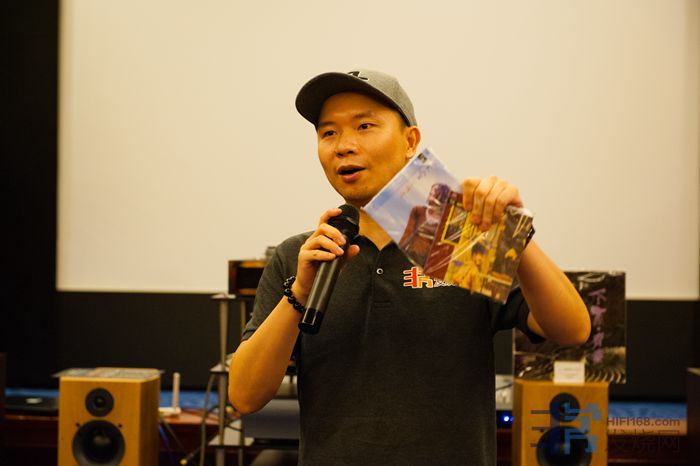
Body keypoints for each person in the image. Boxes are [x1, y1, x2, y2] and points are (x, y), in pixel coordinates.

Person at [228, 69, 591, 465]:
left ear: (410, 142)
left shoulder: (460, 243)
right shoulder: (302, 257)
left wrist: (512, 236)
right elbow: (244, 397)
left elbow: (572, 330)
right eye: (328, 133)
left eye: (364, 126)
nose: (344, 146)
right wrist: (298, 294)